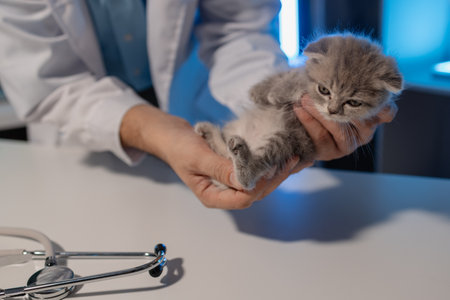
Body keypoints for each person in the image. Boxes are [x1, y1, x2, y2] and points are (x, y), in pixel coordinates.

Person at [0, 1, 396, 209]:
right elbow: (49, 82)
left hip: (204, 115)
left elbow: (236, 28)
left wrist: (281, 102)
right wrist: (162, 135)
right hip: (84, 145)